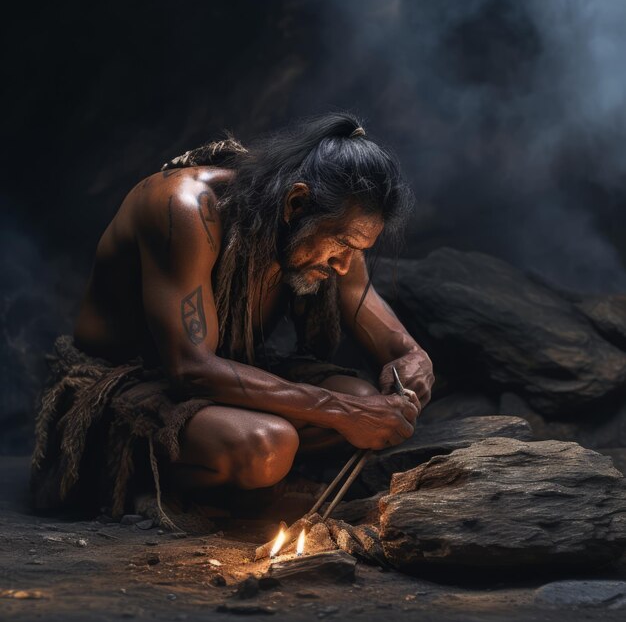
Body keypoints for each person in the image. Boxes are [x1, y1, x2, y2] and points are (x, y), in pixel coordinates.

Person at [31, 112, 434, 520]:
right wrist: (341, 411)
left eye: (357, 251)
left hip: (225, 381)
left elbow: (385, 333)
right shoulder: (186, 208)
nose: (345, 266)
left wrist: (414, 358)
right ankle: (169, 489)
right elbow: (191, 368)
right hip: (126, 384)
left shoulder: (327, 231)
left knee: (365, 399)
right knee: (267, 445)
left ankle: (245, 481)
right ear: (296, 203)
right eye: (343, 245)